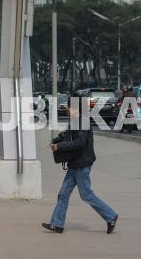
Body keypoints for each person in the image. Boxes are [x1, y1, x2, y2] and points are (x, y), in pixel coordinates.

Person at [42, 100, 119, 234]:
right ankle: (57, 224)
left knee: (86, 195)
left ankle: (111, 216)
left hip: (82, 164)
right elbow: (68, 136)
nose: (67, 110)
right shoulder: (75, 121)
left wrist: (59, 146)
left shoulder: (83, 122)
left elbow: (80, 142)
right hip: (74, 164)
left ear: (77, 109)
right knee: (63, 194)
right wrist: (58, 140)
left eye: (69, 108)